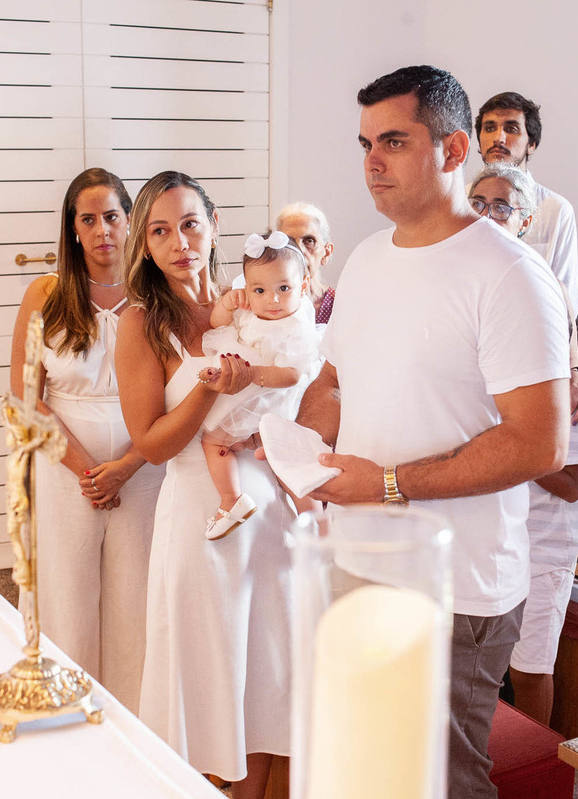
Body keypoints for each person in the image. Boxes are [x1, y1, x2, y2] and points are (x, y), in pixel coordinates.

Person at [297, 66, 570, 799]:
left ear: (454, 150)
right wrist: (305, 450)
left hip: (459, 586)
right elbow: (333, 380)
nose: (371, 163)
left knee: (441, 778)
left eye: (393, 140)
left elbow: (540, 442)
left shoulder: (509, 274)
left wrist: (385, 484)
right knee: (370, 766)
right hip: (359, 556)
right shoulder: (364, 258)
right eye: (364, 144)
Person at [115, 171, 293, 799]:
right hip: (200, 516)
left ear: (214, 226)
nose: (179, 241)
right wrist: (211, 387)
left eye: (190, 224)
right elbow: (152, 443)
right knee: (206, 681)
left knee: (263, 682)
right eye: (160, 230)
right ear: (145, 244)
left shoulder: (252, 301)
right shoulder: (140, 324)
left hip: (269, 509)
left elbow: (299, 381)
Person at [7, 167, 163, 713]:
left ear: (130, 221)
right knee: (68, 596)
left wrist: (126, 465)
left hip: (144, 469)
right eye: (88, 219)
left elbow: (178, 395)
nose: (102, 230)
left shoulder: (156, 292)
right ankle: (66, 712)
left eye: (112, 217)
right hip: (65, 469)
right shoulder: (45, 294)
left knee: (135, 601)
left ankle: (131, 723)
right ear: (73, 229)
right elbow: (26, 397)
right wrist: (85, 470)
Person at [468, 162, 578, 726]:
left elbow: (567, 484)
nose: (487, 216)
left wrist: (510, 436)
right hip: (487, 525)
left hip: (542, 539)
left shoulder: (569, 387)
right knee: (479, 667)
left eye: (501, 206)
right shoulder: (467, 294)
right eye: (478, 202)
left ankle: (536, 763)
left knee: (530, 667)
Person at [475, 91, 578, 425]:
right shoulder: (459, 206)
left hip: (532, 359)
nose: (499, 137)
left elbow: (563, 297)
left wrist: (572, 371)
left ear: (532, 144)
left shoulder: (555, 211)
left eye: (511, 128)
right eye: (489, 128)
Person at [198, 230, 321, 540]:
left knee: (218, 440)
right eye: (260, 290)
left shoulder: (295, 327)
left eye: (283, 288)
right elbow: (216, 323)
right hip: (253, 398)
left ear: (303, 286)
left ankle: (311, 518)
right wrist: (229, 302)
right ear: (247, 289)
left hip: (275, 399)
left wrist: (250, 374)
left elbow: (291, 375)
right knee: (234, 446)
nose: (273, 300)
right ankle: (236, 498)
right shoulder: (250, 310)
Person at [275, 202, 338, 323]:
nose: (299, 250)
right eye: (289, 241)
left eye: (309, 241)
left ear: (326, 253)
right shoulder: (261, 301)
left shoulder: (340, 307)